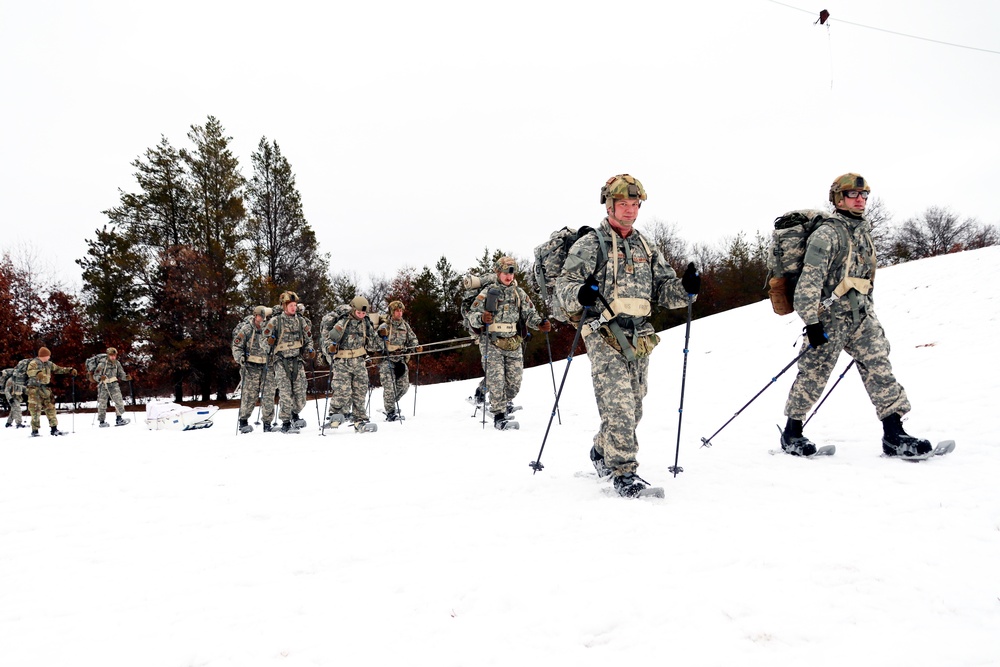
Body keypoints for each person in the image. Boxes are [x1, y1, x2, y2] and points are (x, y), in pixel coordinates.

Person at [554, 174, 700, 497]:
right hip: (603, 333)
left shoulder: (645, 246)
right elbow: (564, 289)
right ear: (610, 206)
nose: (630, 211)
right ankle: (624, 473)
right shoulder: (591, 244)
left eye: (635, 205)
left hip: (639, 337)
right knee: (618, 406)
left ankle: (601, 450)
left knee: (633, 407)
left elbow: (664, 289)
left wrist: (687, 288)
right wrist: (582, 293)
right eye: (624, 204)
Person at [780, 173, 931, 458]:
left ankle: (894, 433)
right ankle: (792, 432)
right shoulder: (827, 234)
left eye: (864, 195)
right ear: (839, 199)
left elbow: (864, 275)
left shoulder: (862, 231)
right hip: (829, 318)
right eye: (853, 195)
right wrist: (812, 323)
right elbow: (809, 282)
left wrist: (868, 309)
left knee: (879, 367)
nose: (860, 199)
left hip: (861, 315)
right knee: (814, 374)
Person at [468, 256, 551, 430]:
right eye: (505, 272)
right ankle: (499, 414)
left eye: (511, 272)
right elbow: (472, 317)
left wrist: (540, 324)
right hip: (492, 342)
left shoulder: (519, 293)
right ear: (498, 272)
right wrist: (481, 318)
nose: (508, 276)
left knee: (514, 385)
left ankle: (495, 397)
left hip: (513, 342)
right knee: (497, 382)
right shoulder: (487, 293)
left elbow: (530, 314)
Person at [322, 296, 383, 432]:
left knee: (360, 390)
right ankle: (335, 415)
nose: (361, 315)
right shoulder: (342, 322)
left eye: (363, 313)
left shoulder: (365, 323)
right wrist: (330, 348)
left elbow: (373, 344)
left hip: (359, 361)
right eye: (359, 313)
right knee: (342, 389)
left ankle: (360, 418)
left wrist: (381, 337)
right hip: (342, 361)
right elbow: (327, 339)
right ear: (353, 310)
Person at [262, 291, 314, 433]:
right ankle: (285, 422)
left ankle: (294, 413)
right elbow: (263, 343)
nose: (293, 308)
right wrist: (269, 342)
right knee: (285, 392)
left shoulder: (301, 321)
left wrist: (310, 349)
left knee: (301, 394)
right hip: (281, 361)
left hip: (297, 360)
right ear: (284, 306)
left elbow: (308, 338)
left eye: (295, 305)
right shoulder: (275, 321)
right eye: (290, 305)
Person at [376, 300, 421, 421]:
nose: (399, 313)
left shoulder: (405, 326)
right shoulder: (384, 326)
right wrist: (382, 337)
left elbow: (412, 338)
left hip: (400, 359)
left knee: (404, 386)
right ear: (392, 312)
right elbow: (375, 344)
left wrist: (416, 346)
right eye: (397, 311)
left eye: (401, 311)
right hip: (387, 360)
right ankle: (390, 411)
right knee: (389, 387)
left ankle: (389, 402)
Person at [231, 305, 272, 433]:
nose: (262, 319)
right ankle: (243, 421)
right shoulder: (247, 329)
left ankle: (267, 423)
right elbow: (237, 345)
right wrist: (240, 358)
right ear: (255, 316)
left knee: (268, 395)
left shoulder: (268, 328)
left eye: (264, 316)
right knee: (249, 395)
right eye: (260, 316)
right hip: (250, 367)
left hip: (266, 366)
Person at [25, 346, 78, 437]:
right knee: (35, 410)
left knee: (51, 408)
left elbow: (58, 369)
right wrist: (37, 373)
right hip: (34, 390)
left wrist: (69, 370)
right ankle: (35, 430)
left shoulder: (49, 364)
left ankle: (54, 429)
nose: (49, 357)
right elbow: (29, 372)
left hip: (45, 389)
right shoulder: (34, 363)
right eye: (48, 355)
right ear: (43, 355)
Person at [93, 347, 133, 427]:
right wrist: (100, 378)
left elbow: (121, 374)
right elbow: (95, 375)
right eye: (111, 355)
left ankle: (119, 419)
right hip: (104, 385)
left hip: (114, 384)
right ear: (108, 355)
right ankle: (102, 421)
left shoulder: (117, 364)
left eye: (114, 355)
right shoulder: (102, 364)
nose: (113, 357)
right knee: (102, 403)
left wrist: (126, 377)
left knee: (119, 401)